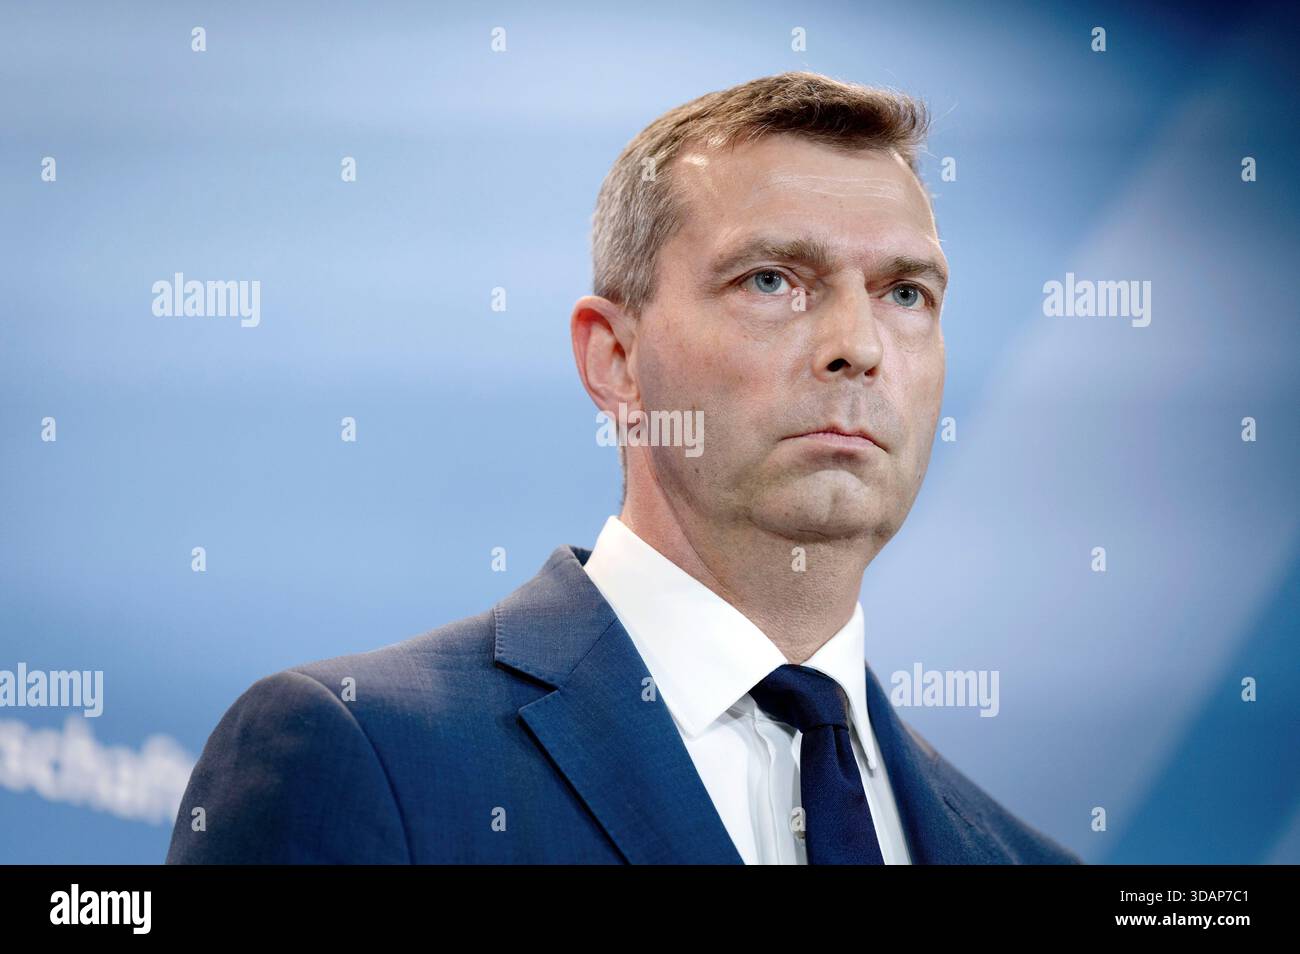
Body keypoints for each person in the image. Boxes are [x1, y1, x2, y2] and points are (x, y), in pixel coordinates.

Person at [166, 71, 1082, 864]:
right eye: (772, 280)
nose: (857, 345)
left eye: (906, 294)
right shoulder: (363, 754)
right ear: (614, 359)